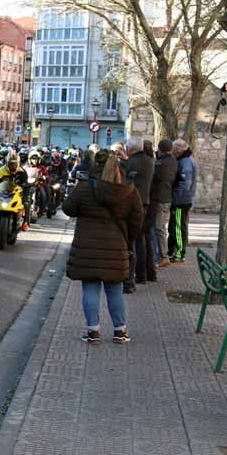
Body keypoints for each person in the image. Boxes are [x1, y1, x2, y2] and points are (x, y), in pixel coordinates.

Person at [62, 149, 144, 344]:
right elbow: (137, 219)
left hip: (87, 248)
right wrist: (127, 239)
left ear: (95, 164)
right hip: (116, 247)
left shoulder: (84, 187)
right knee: (115, 290)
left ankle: (92, 332)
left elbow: (68, 208)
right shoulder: (129, 189)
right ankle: (120, 331)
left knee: (90, 288)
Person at [123, 136, 156, 291]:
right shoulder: (150, 160)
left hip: (134, 204)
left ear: (132, 149)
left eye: (127, 147)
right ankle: (142, 274)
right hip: (147, 202)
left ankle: (134, 275)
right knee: (142, 240)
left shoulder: (132, 162)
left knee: (134, 240)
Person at [168, 138, 198, 263]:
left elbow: (185, 183)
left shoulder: (185, 162)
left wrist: (175, 195)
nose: (172, 152)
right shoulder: (187, 159)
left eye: (174, 150)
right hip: (182, 199)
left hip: (181, 200)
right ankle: (174, 251)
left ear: (178, 150)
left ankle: (179, 254)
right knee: (175, 226)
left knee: (179, 228)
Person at [151, 139, 177, 268]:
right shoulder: (173, 160)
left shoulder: (161, 164)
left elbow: (154, 176)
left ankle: (163, 256)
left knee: (159, 228)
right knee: (160, 227)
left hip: (160, 198)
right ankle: (161, 255)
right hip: (166, 197)